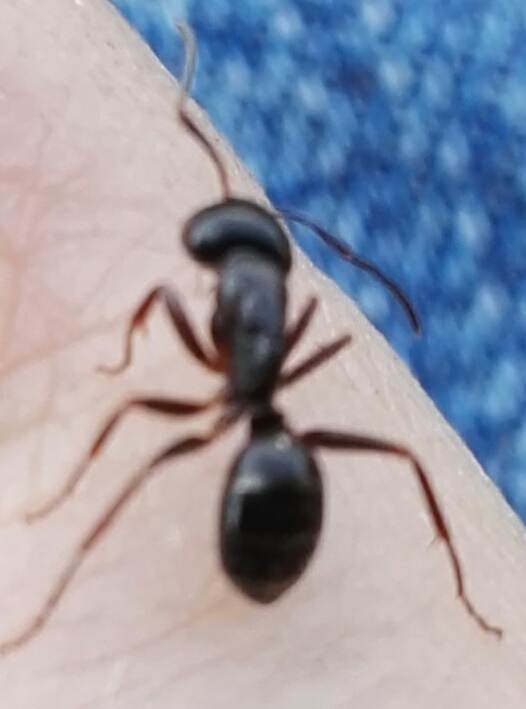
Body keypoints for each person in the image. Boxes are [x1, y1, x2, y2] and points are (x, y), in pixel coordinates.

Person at [0, 0, 524, 706]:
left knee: (140, 427)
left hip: (269, 488)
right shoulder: (281, 317)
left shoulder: (242, 318)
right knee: (403, 453)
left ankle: (53, 589)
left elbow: (187, 312)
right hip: (271, 461)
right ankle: (463, 595)